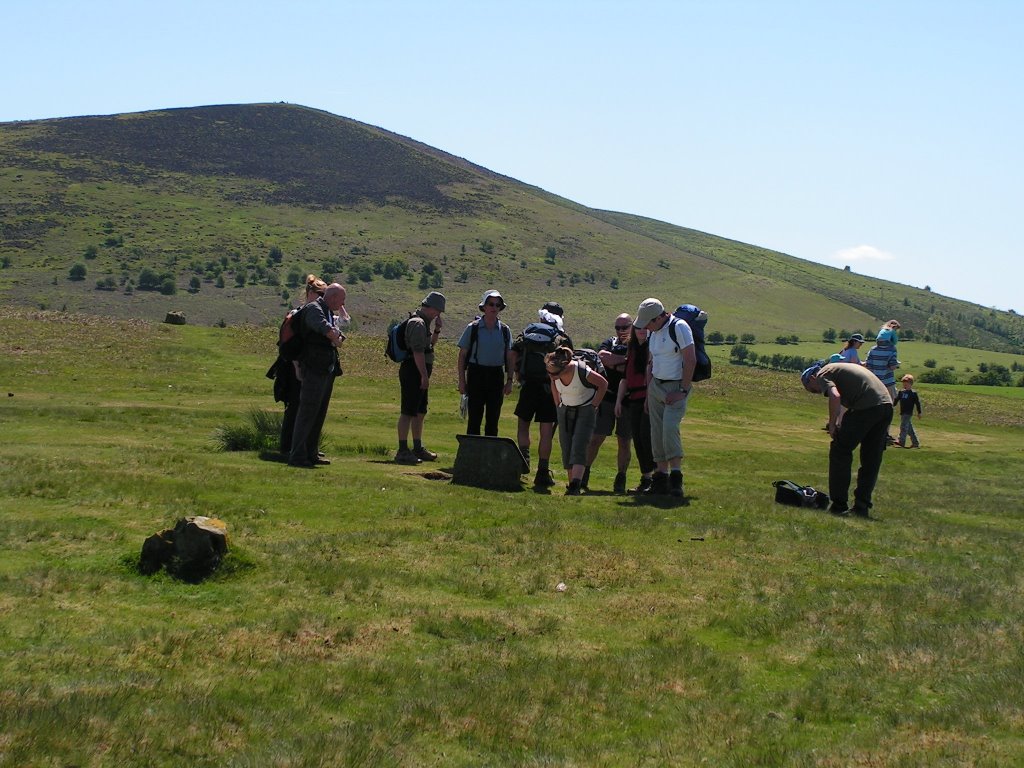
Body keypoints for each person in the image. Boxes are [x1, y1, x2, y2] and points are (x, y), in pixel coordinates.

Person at [801, 361, 894, 517]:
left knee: (840, 451)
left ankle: (839, 505)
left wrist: (832, 425)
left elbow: (835, 396)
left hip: (866, 407)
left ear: (811, 378)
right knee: (871, 459)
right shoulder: (839, 368)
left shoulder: (823, 373)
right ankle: (861, 507)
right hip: (886, 406)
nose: (817, 392)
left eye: (812, 390)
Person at [633, 298, 696, 498]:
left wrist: (683, 390)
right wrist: (648, 390)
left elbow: (690, 359)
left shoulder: (680, 327)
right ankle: (661, 479)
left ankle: (676, 479)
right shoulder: (654, 331)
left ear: (659, 317)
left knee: (669, 429)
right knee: (657, 433)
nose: (646, 327)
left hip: (676, 386)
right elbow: (651, 362)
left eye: (649, 322)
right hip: (656, 387)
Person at [511, 302, 573, 487]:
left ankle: (524, 460)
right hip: (550, 388)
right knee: (546, 432)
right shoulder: (561, 338)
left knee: (523, 425)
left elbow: (513, 353)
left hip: (528, 385)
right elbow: (569, 363)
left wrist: (515, 375)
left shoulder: (528, 333)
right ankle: (542, 472)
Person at [288, 283, 348, 468]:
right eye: (342, 299)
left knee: (319, 412)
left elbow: (331, 330)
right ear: (333, 297)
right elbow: (323, 327)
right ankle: (297, 456)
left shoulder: (326, 310)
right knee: (307, 412)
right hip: (313, 367)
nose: (343, 303)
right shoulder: (314, 309)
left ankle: (311, 452)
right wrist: (335, 337)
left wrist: (336, 336)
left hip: (324, 368)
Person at [275, 274, 327, 455]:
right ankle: (288, 447)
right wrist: (297, 368)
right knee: (296, 407)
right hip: (295, 367)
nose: (322, 298)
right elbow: (293, 345)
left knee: (311, 407)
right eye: (320, 293)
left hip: (307, 366)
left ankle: (306, 447)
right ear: (309, 293)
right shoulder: (300, 314)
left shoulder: (315, 314)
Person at [546, 346, 608, 495]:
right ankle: (571, 484)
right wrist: (558, 404)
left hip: (585, 409)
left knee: (579, 445)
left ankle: (575, 484)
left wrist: (594, 406)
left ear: (565, 367)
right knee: (566, 446)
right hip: (565, 408)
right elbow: (553, 385)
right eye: (549, 373)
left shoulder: (581, 371)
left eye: (554, 374)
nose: (551, 376)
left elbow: (603, 384)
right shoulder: (553, 369)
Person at [584, 313, 633, 493]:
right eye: (617, 328)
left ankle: (621, 479)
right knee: (596, 438)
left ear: (632, 326)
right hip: (607, 398)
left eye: (624, 327)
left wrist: (615, 362)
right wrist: (624, 361)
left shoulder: (637, 345)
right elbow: (602, 357)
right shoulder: (609, 342)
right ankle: (584, 475)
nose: (621, 331)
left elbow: (633, 366)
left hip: (628, 401)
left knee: (624, 441)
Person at [395, 291, 446, 465]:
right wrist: (424, 376)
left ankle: (417, 447)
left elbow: (429, 346)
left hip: (419, 370)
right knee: (408, 411)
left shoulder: (424, 324)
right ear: (432, 309)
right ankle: (402, 450)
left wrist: (437, 330)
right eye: (438, 311)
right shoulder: (417, 324)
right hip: (413, 371)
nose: (438, 314)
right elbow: (418, 352)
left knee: (420, 411)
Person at [457, 290, 514, 436]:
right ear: (484, 306)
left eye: (498, 305)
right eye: (491, 304)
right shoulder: (473, 328)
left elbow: (509, 357)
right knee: (474, 418)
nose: (494, 307)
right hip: (476, 374)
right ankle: (472, 455)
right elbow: (462, 355)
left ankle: (490, 455)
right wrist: (462, 381)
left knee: (493, 420)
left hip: (496, 375)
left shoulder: (505, 331)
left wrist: (509, 381)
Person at [615, 325, 656, 492]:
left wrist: (649, 398)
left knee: (647, 437)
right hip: (633, 399)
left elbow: (650, 373)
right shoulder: (632, 349)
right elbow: (625, 378)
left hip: (647, 399)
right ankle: (646, 478)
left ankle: (656, 478)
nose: (641, 331)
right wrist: (619, 401)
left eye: (645, 328)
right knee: (638, 439)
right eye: (638, 327)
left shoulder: (652, 347)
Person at [864, 326, 901, 442]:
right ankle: (885, 433)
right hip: (887, 383)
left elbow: (868, 365)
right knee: (888, 408)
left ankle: (871, 430)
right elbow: (892, 366)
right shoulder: (892, 350)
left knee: (873, 407)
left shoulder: (873, 349)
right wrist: (897, 364)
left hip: (874, 382)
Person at [894, 373, 923, 448]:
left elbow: (917, 403)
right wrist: (892, 405)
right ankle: (915, 443)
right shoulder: (901, 392)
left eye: (906, 383)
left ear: (910, 384)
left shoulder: (913, 394)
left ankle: (901, 441)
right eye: (903, 384)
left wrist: (919, 412)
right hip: (902, 412)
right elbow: (896, 400)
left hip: (908, 413)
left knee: (903, 427)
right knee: (909, 429)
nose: (904, 385)